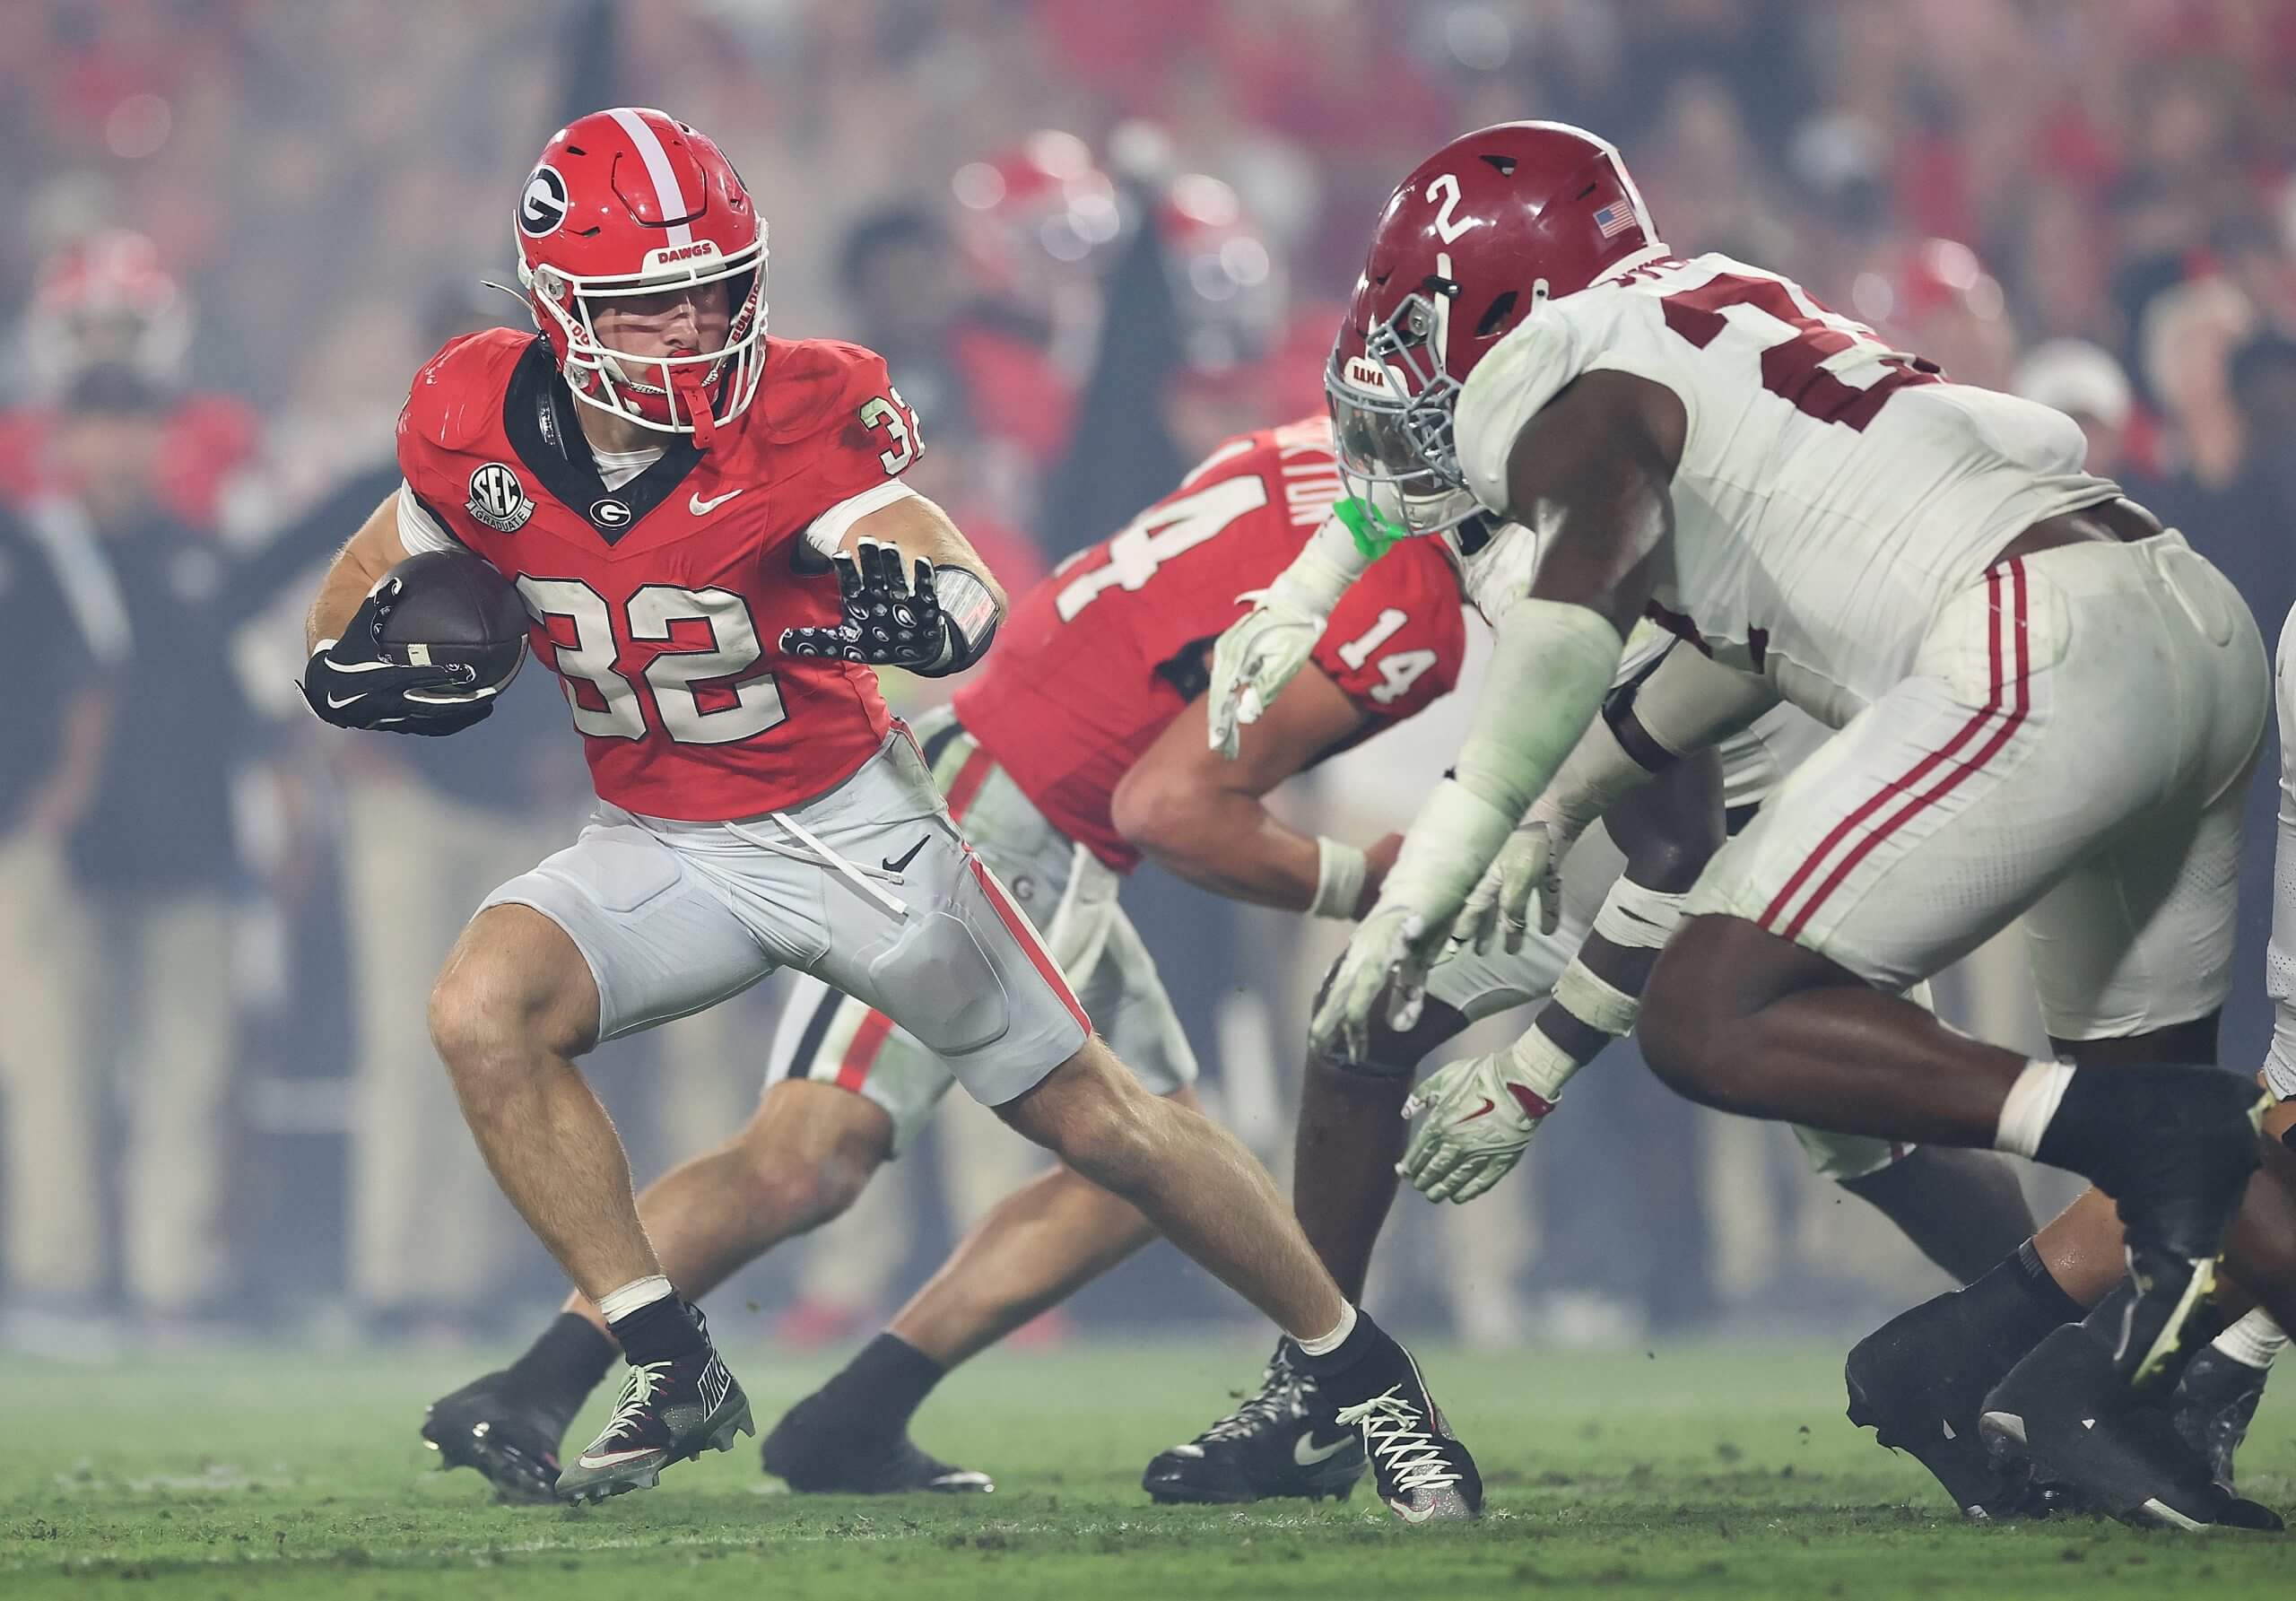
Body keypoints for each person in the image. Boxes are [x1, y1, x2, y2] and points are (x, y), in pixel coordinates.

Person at [299, 107, 1478, 1521]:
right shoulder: (471, 412)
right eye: (656, 304)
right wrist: (339, 665)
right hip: (657, 839)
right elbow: (369, 571)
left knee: (1105, 1124)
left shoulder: (807, 402)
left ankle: (1370, 1379)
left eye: (716, 290)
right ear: (561, 306)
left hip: (847, 832)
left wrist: (941, 601)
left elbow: (919, 541)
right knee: (480, 1007)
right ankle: (666, 1359)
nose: (697, 327)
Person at [1209, 120, 2292, 1518]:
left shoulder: (1569, 379)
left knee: (1730, 1025)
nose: (1412, 366)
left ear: (1519, 307)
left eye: (1429, 321)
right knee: (2182, 1180)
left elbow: (1603, 696)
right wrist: (1534, 797)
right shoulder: (1721, 317)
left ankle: (2086, 1222)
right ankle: (2078, 1376)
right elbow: (2024, 447)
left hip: (2001, 671)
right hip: (2186, 623)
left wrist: (1474, 930)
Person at [422, 401, 1469, 1500]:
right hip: (982, 818)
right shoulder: (1414, 597)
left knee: (1155, 1170)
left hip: (1033, 806)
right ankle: (535, 1387)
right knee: (807, 1156)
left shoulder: (1304, 447)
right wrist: (1358, 881)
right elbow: (1173, 808)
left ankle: (853, 1417)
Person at [1150, 593, 2038, 1507]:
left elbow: (1678, 845)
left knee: (1876, 1136)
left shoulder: (1587, 542)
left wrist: (1533, 1073)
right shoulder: (1472, 533)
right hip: (1605, 816)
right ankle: (1324, 1378)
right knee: (1362, 1007)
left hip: (1781, 836)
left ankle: (2070, 1343)